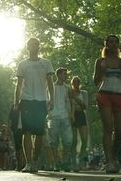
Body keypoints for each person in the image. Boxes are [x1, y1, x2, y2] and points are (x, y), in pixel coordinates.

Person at [13, 37, 54, 173]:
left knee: (40, 134)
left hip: (41, 101)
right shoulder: (22, 64)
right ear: (27, 47)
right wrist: (16, 101)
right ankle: (28, 163)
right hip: (26, 100)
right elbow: (19, 84)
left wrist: (51, 99)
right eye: (31, 44)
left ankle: (35, 160)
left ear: (39, 47)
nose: (34, 45)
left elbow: (50, 82)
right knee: (27, 131)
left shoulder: (46, 63)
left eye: (36, 44)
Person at [93, 34, 121, 173]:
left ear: (118, 45)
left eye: (115, 42)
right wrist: (102, 70)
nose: (113, 44)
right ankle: (109, 162)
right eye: (110, 42)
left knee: (120, 131)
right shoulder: (100, 61)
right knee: (108, 128)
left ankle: (112, 156)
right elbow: (96, 82)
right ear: (106, 45)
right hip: (104, 95)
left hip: (120, 95)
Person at [48, 67, 74, 172]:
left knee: (68, 141)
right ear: (58, 75)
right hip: (53, 117)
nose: (66, 76)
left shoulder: (68, 88)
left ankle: (64, 162)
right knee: (53, 142)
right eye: (64, 74)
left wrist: (71, 114)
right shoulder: (50, 87)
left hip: (65, 117)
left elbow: (70, 102)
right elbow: (47, 101)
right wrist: (48, 113)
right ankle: (56, 163)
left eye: (66, 74)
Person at [70, 76, 89, 171]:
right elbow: (68, 105)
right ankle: (74, 162)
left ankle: (81, 159)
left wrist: (76, 99)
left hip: (81, 115)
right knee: (74, 141)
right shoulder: (69, 92)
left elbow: (85, 106)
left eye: (78, 82)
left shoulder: (84, 93)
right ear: (72, 83)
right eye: (74, 82)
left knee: (84, 139)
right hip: (72, 115)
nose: (76, 84)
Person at [8, 104, 24, 171]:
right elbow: (10, 118)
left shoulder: (26, 104)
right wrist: (9, 128)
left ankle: (25, 163)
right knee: (17, 147)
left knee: (24, 147)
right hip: (16, 129)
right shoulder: (14, 105)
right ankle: (18, 164)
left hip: (25, 129)